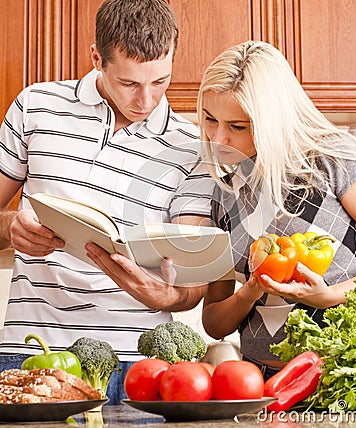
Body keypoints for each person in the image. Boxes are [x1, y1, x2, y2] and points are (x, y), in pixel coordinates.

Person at [0, 0, 214, 404]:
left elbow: (192, 277)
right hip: (31, 352)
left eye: (160, 82)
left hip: (141, 366)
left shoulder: (191, 148)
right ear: (97, 57)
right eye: (130, 83)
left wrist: (166, 296)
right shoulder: (35, 107)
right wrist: (10, 227)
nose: (146, 101)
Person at [198, 40, 356, 380]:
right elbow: (214, 322)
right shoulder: (224, 191)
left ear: (272, 118)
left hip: (341, 374)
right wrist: (250, 291)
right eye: (209, 119)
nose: (219, 139)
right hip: (257, 383)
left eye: (238, 126)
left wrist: (331, 296)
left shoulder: (334, 159)